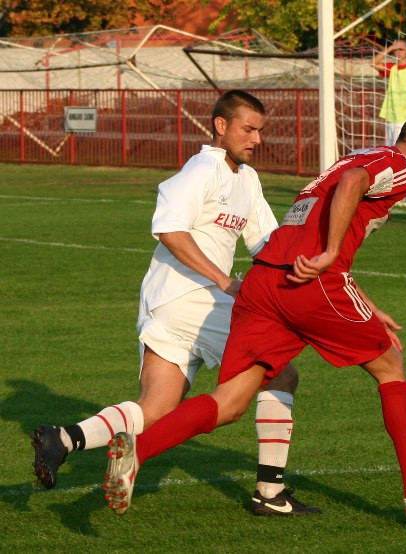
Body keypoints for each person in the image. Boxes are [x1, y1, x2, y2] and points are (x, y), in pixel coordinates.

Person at [102, 111, 406, 524]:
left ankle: (138, 451)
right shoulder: (397, 163)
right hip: (312, 282)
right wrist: (330, 255)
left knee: (230, 403)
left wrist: (362, 298)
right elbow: (353, 188)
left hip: (266, 282)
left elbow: (326, 210)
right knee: (391, 368)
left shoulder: (354, 157)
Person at [32, 90, 319, 517]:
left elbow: (265, 243)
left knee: (156, 408)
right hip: (189, 299)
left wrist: (309, 256)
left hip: (170, 303)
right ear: (221, 126)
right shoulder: (203, 168)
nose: (256, 138)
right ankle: (270, 492)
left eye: (260, 130)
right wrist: (224, 279)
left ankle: (63, 439)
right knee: (281, 373)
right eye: (248, 129)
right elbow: (169, 229)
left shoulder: (247, 179)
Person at [372, 39, 406, 147]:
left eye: (401, 49)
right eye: (396, 50)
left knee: (401, 153)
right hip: (391, 118)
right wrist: (390, 47)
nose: (398, 52)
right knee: (391, 153)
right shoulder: (392, 68)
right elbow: (373, 63)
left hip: (405, 121)